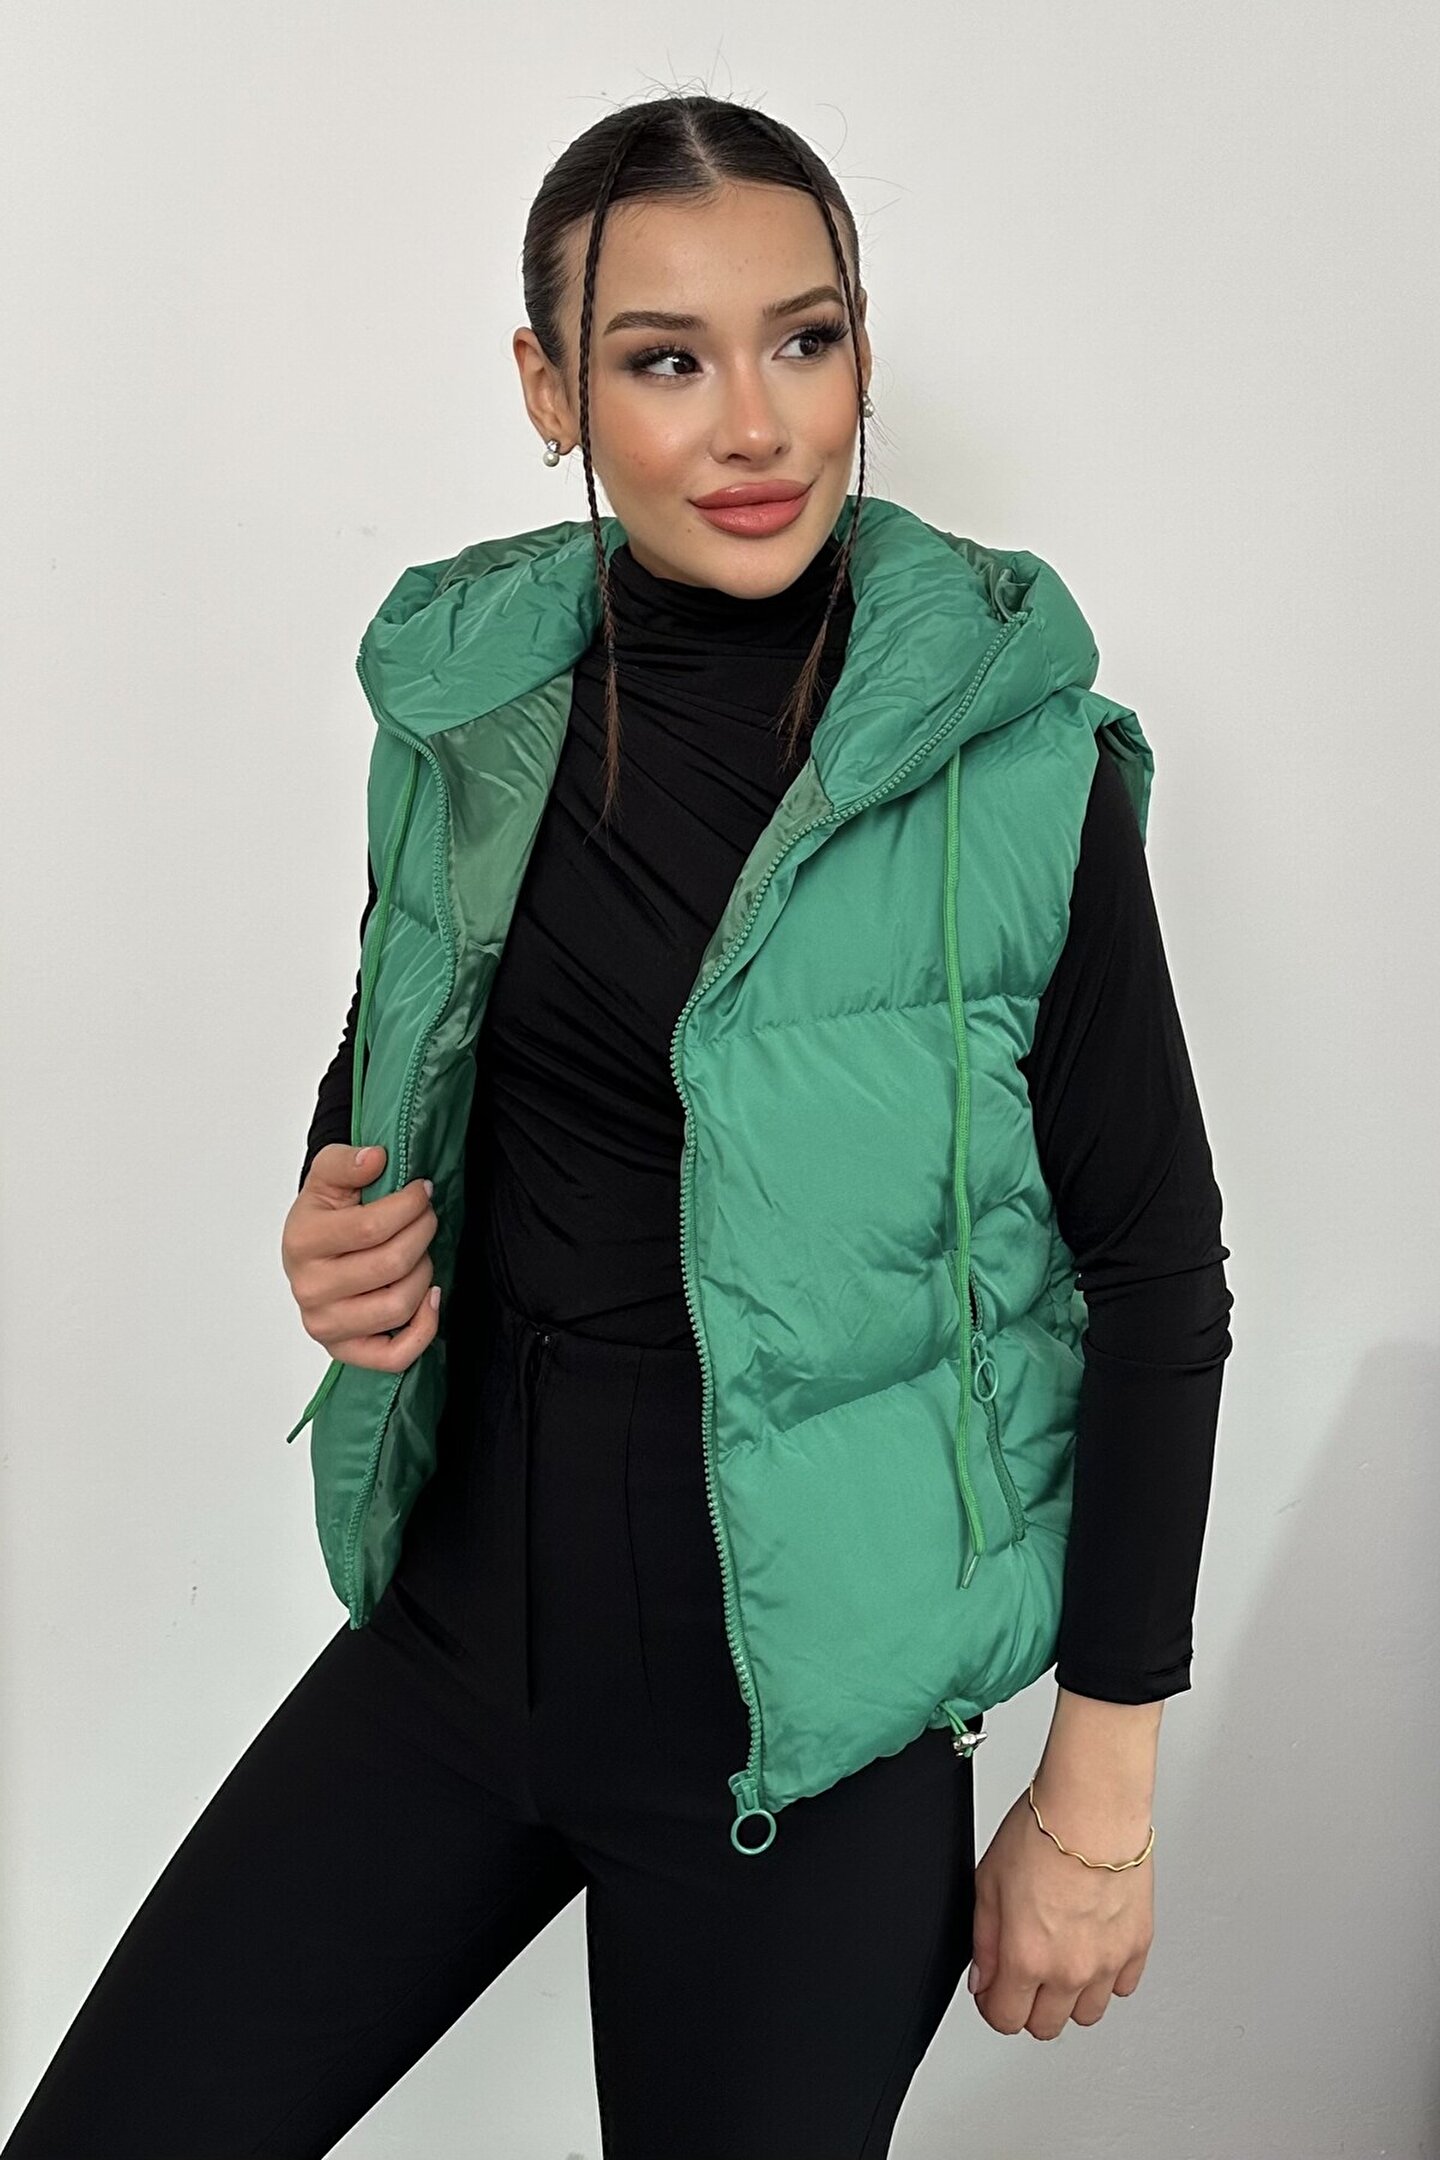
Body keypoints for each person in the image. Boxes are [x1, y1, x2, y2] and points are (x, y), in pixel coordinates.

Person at [3, 91, 1232, 2160]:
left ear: (861, 351)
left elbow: (1158, 1273)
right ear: (548, 388)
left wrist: (1096, 1799)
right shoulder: (467, 702)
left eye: (805, 338)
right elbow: (407, 1043)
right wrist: (333, 1215)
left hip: (799, 1747)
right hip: (457, 1645)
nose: (756, 424)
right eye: (665, 359)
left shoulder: (1015, 767)